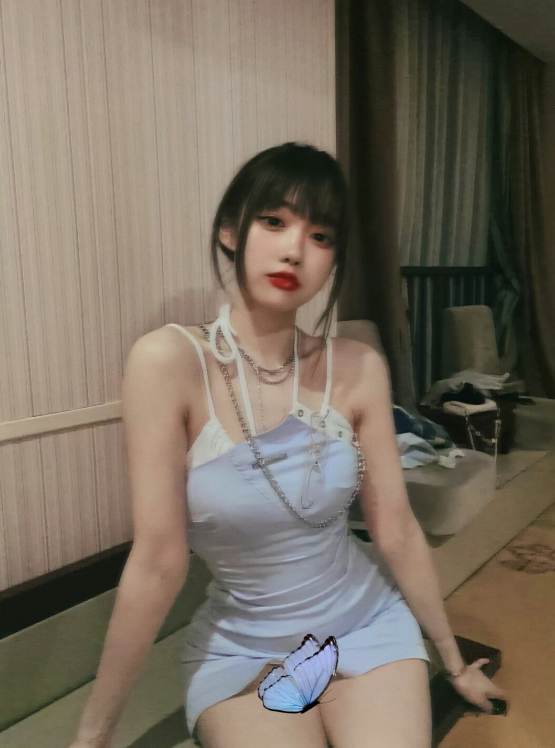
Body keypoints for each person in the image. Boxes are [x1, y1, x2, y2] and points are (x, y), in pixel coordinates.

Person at [68, 143, 508, 748]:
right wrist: (93, 735)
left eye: (321, 235)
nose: (295, 249)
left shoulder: (358, 366)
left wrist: (453, 662)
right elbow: (158, 560)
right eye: (274, 221)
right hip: (243, 649)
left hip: (366, 623)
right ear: (230, 231)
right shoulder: (167, 362)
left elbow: (397, 530)